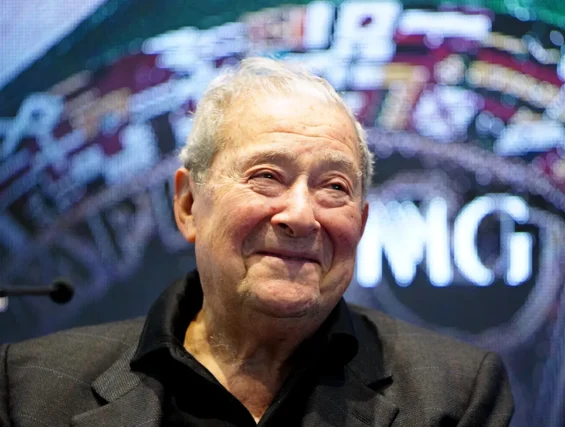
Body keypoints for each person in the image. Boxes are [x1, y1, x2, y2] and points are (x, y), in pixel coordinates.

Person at [0, 58, 513, 426]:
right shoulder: (32, 389)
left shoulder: (455, 396)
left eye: (335, 187)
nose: (301, 216)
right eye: (266, 176)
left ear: (360, 222)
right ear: (188, 205)